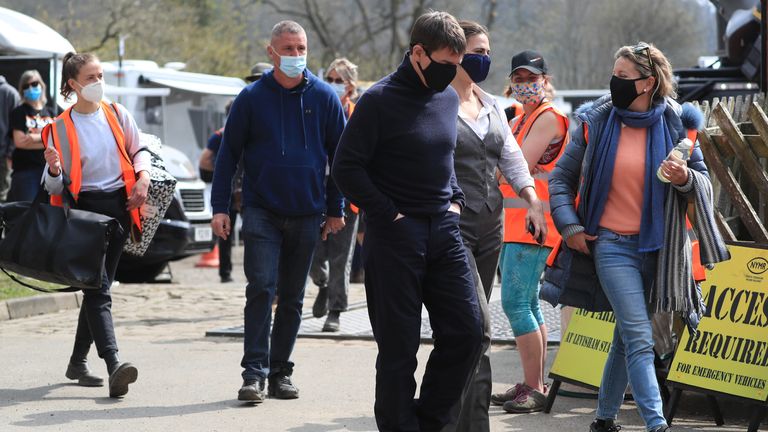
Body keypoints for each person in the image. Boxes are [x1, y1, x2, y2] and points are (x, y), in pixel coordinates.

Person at [548, 42, 713, 432]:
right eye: (614, 75)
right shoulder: (597, 120)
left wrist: (685, 178)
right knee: (640, 338)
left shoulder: (676, 122)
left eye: (623, 77)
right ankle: (657, 426)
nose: (614, 83)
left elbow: (703, 180)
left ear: (647, 83)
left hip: (658, 248)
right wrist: (569, 225)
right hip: (611, 246)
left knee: (626, 337)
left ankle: (603, 421)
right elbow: (560, 180)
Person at [332, 11, 483, 431]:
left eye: (457, 66)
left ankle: (429, 422)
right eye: (445, 64)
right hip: (396, 235)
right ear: (418, 53)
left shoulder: (448, 97)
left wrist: (454, 200)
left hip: (444, 231)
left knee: (468, 333)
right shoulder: (378, 101)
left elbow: (444, 156)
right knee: (399, 350)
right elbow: (346, 168)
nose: (453, 73)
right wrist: (388, 213)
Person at [210, 20, 346, 404]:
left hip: (307, 212)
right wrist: (219, 207)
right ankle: (254, 374)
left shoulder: (324, 97)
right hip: (261, 211)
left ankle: (280, 373)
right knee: (261, 289)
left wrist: (335, 207)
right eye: (287, 49)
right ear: (271, 52)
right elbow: (227, 157)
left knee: (291, 296)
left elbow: (341, 157)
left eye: (300, 48)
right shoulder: (251, 98)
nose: (295, 56)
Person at [445, 22, 546, 432]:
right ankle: (467, 419)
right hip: (454, 228)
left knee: (468, 327)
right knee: (477, 325)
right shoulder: (436, 103)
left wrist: (532, 199)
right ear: (454, 54)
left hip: (492, 228)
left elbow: (512, 158)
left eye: (487, 50)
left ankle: (457, 413)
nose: (484, 58)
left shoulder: (490, 105)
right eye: (476, 50)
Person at [42, 52, 149, 398]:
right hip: (85, 215)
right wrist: (55, 169)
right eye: (90, 77)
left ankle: (76, 362)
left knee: (95, 289)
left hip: (120, 208)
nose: (98, 82)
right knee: (99, 289)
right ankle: (114, 362)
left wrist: (143, 177)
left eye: (100, 75)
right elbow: (54, 187)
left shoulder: (117, 113)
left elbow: (139, 150)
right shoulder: (57, 128)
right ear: (73, 85)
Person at [492, 50, 569, 414]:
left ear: (545, 79)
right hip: (518, 222)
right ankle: (532, 383)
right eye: (518, 79)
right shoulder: (521, 118)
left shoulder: (548, 119)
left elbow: (512, 167)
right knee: (525, 305)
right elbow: (507, 167)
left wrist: (503, 168)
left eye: (531, 78)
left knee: (516, 303)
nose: (525, 85)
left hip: (535, 224)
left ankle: (535, 387)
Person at [309, 57, 361, 332]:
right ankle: (322, 284)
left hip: (348, 197)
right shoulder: (317, 109)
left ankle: (336, 311)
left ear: (350, 87)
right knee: (313, 254)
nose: (332, 85)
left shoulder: (359, 114)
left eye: (338, 80)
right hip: (314, 194)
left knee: (341, 257)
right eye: (329, 79)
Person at [199, 100, 238, 282]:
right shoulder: (221, 135)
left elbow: (204, 160)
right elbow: (205, 160)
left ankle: (226, 273)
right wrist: (221, 170)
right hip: (240, 190)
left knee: (226, 234)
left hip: (232, 190)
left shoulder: (220, 134)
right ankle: (231, 272)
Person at [9, 70, 57, 202]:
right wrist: (47, 138)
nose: (31, 88)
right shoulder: (19, 112)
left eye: (34, 83)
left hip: (50, 172)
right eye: (26, 86)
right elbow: (20, 142)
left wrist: (34, 138)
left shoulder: (51, 112)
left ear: (41, 85)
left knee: (49, 214)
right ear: (21, 90)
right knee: (27, 214)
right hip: (26, 172)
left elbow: (58, 140)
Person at [0, 75, 20, 202]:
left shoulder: (9, 93)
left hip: (4, 154)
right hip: (5, 153)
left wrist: (9, 153)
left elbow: (16, 126)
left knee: (3, 194)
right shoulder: (12, 93)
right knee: (3, 194)